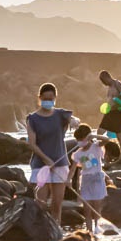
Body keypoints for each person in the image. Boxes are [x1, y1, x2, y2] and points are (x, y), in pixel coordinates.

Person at [26, 83, 73, 225]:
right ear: (40, 98)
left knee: (57, 203)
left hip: (60, 163)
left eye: (51, 98)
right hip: (41, 165)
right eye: (45, 98)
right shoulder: (32, 118)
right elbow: (32, 143)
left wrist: (75, 121)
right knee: (40, 203)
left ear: (55, 98)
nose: (48, 101)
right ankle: (40, 229)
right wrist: (46, 159)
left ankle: (56, 229)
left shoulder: (61, 114)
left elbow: (73, 119)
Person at [69, 124, 111, 234]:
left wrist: (92, 136)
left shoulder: (96, 146)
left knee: (97, 208)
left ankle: (97, 230)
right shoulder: (78, 153)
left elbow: (107, 139)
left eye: (81, 139)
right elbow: (73, 170)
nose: (79, 142)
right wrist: (68, 180)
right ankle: (89, 232)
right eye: (77, 140)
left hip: (97, 179)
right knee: (87, 210)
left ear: (88, 138)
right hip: (86, 180)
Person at [98, 70, 121, 165]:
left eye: (103, 80)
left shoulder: (117, 83)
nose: (103, 83)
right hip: (110, 112)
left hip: (118, 112)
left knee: (119, 135)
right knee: (100, 131)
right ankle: (102, 154)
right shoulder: (109, 88)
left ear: (107, 77)